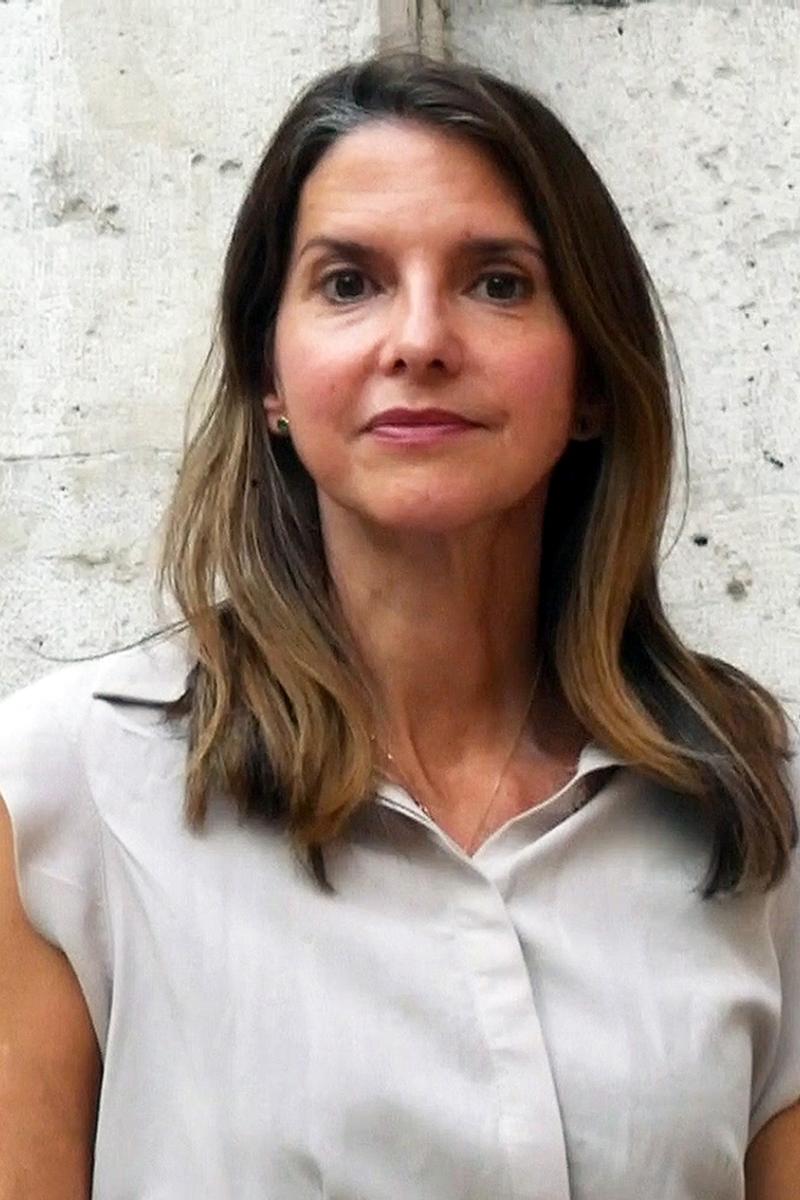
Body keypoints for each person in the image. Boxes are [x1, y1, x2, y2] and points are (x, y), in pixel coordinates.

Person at [1, 51, 798, 1200]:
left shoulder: (746, 801)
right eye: (346, 283)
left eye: (496, 283)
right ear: (267, 377)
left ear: (587, 378)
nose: (418, 339)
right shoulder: (60, 794)